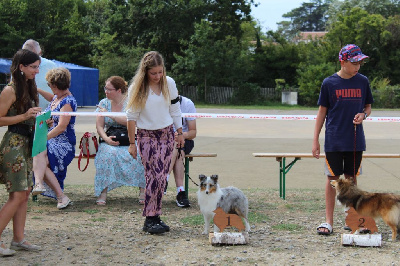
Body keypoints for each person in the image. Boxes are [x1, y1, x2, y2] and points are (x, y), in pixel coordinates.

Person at [312, 44, 373, 235]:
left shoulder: (363, 81)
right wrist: (315, 140)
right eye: (355, 63)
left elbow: (368, 107)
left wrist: (363, 115)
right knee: (332, 180)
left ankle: (352, 218)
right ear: (343, 61)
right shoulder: (329, 83)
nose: (358, 67)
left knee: (351, 179)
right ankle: (328, 222)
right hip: (334, 140)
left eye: (360, 63)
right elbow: (322, 112)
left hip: (355, 140)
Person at [126, 51, 184, 234]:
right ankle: (150, 218)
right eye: (154, 73)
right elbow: (131, 118)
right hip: (146, 136)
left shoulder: (170, 83)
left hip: (167, 134)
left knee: (162, 177)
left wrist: (180, 131)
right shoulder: (137, 87)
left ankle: (155, 216)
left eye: (160, 72)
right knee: (154, 176)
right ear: (145, 71)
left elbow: (175, 109)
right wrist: (132, 143)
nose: (158, 76)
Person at [0, 49, 42, 256]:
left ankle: (18, 239)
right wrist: (25, 115)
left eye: (37, 66)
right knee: (17, 195)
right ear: (21, 67)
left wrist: (41, 120)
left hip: (26, 144)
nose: (37, 70)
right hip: (14, 144)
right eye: (33, 67)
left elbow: (28, 117)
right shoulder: (10, 90)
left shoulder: (28, 87)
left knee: (24, 194)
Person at [94, 76, 146, 205]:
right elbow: (99, 126)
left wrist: (110, 115)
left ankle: (143, 191)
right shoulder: (103, 103)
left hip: (130, 138)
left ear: (118, 90)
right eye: (105, 88)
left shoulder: (131, 102)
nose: (106, 91)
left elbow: (132, 122)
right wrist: (105, 139)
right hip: (110, 137)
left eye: (109, 89)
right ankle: (103, 192)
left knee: (141, 154)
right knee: (106, 155)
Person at [32, 67, 76, 209]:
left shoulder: (67, 102)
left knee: (39, 150)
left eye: (50, 85)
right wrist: (37, 90)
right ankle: (60, 197)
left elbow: (62, 127)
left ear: (55, 86)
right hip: (52, 139)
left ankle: (39, 184)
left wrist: (43, 138)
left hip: (63, 142)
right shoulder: (58, 97)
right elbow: (51, 99)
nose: (49, 87)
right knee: (41, 159)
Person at [165, 95, 197, 207]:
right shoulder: (158, 103)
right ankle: (180, 191)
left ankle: (164, 178)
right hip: (164, 142)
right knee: (178, 150)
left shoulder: (187, 104)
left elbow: (193, 132)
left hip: (184, 140)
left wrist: (182, 135)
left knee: (177, 145)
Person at [22, 39, 57, 109]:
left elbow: (60, 90)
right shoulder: (20, 66)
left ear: (40, 53)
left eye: (33, 56)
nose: (30, 59)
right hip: (25, 113)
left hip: (47, 114)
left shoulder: (51, 66)